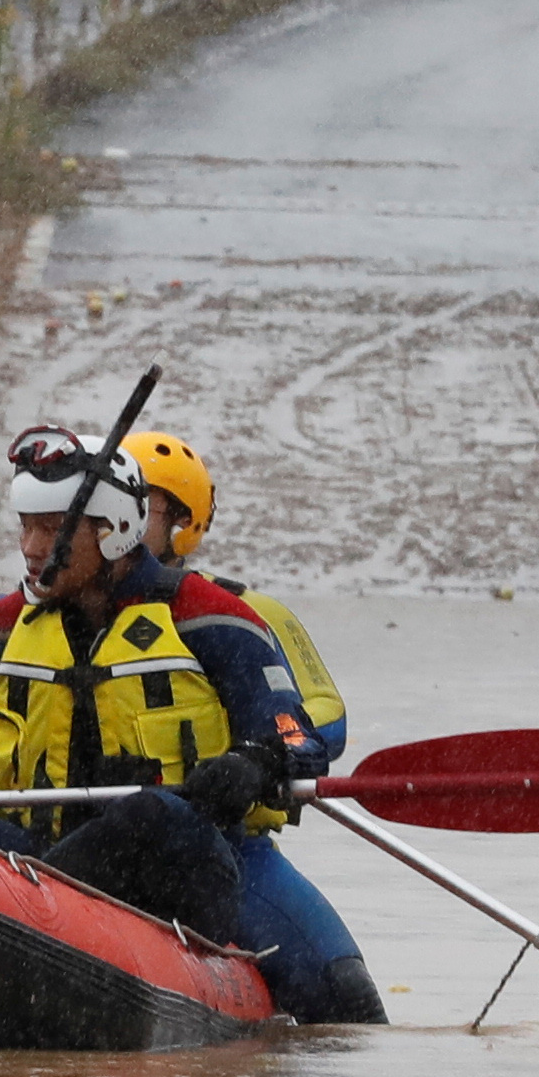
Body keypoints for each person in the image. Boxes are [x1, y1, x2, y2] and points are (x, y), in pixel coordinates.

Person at [0, 426, 314, 949]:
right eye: (25, 528)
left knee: (153, 816)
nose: (31, 549)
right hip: (32, 859)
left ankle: (33, 921)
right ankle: (38, 919)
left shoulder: (210, 617)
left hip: (188, 858)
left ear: (115, 530)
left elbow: (295, 737)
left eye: (52, 530)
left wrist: (253, 763)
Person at [124, 429, 386, 1024]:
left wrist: (258, 754)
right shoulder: (55, 618)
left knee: (345, 990)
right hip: (113, 833)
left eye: (145, 507)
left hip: (230, 843)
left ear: (184, 521)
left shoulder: (245, 614)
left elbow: (325, 720)